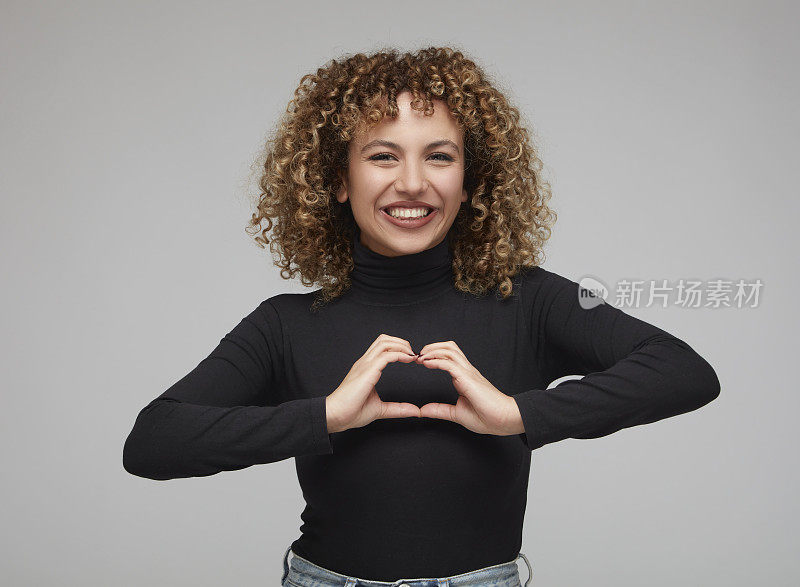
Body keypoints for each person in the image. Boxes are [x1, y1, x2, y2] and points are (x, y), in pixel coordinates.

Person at [122, 46, 721, 586]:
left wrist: (518, 415)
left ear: (470, 181)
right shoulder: (285, 324)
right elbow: (152, 442)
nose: (412, 183)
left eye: (439, 157)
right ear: (336, 179)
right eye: (383, 156)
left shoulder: (531, 300)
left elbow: (684, 370)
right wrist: (324, 416)